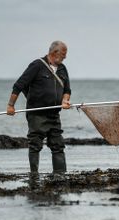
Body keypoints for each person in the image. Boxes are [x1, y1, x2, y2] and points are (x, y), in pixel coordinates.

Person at [7, 40, 71, 175]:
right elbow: (19, 85)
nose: (65, 57)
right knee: (35, 145)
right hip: (37, 114)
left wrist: (65, 101)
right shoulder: (37, 65)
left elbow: (67, 90)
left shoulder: (62, 69)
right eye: (63, 54)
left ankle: (60, 174)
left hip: (54, 114)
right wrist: (10, 105)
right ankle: (34, 174)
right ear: (54, 53)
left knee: (58, 145)